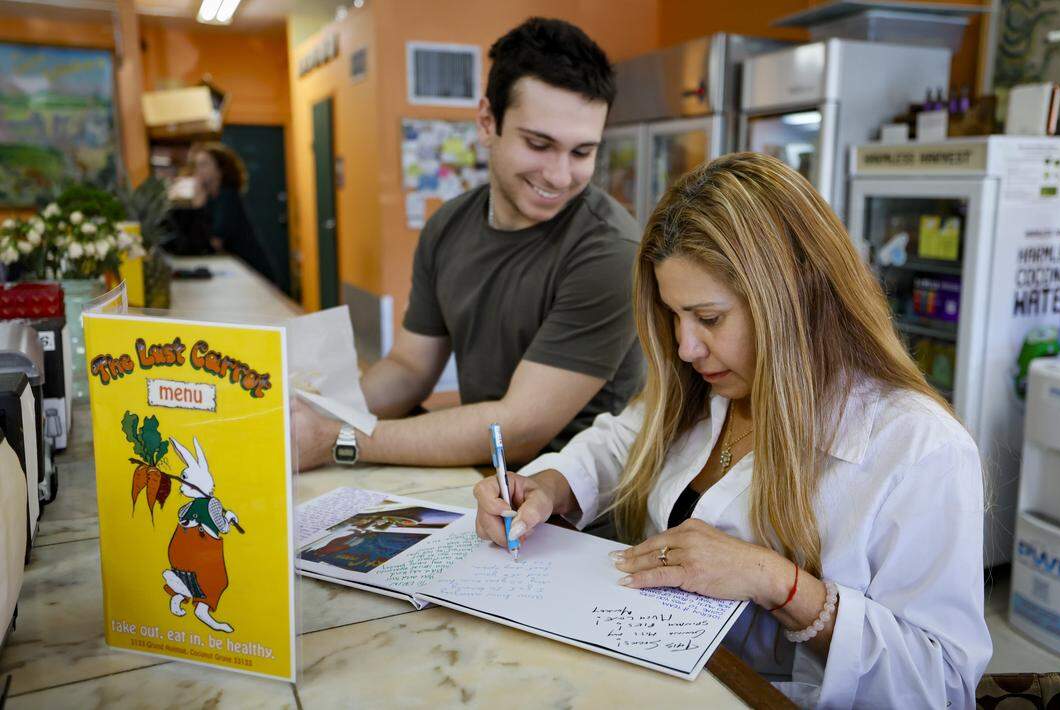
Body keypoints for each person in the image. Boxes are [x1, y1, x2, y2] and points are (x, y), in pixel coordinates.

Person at [473, 153, 991, 707]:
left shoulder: (919, 448)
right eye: (675, 316)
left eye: (710, 318)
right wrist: (550, 486)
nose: (686, 348)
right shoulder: (710, 388)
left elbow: (942, 685)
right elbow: (622, 440)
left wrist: (780, 584)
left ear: (792, 300)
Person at [294, 18, 643, 470]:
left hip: (581, 512)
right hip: (484, 484)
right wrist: (316, 412)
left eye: (581, 152)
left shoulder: (610, 251)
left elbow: (518, 429)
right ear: (486, 121)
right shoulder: (448, 225)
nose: (559, 176)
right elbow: (408, 368)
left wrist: (337, 438)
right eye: (539, 144)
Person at [188, 142, 283, 287]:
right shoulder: (212, 198)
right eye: (197, 165)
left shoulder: (227, 196)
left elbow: (214, 242)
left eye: (204, 164)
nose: (198, 171)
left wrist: (198, 203)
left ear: (220, 170)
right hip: (240, 271)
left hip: (255, 273)